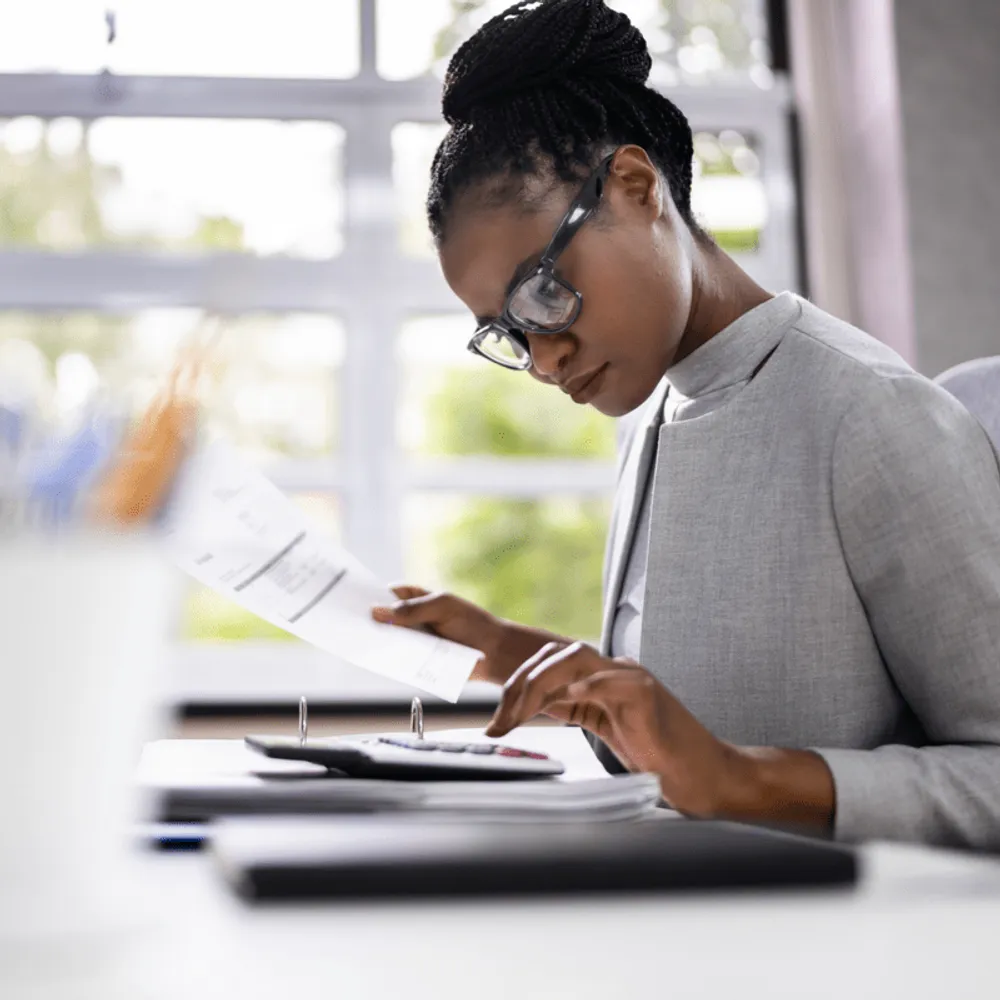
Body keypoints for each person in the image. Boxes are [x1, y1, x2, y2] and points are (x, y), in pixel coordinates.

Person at [371, 0, 1000, 848]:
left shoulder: (872, 418)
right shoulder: (654, 409)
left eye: (544, 292)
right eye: (510, 333)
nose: (546, 360)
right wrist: (505, 647)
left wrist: (744, 778)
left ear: (636, 189)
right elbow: (676, 722)